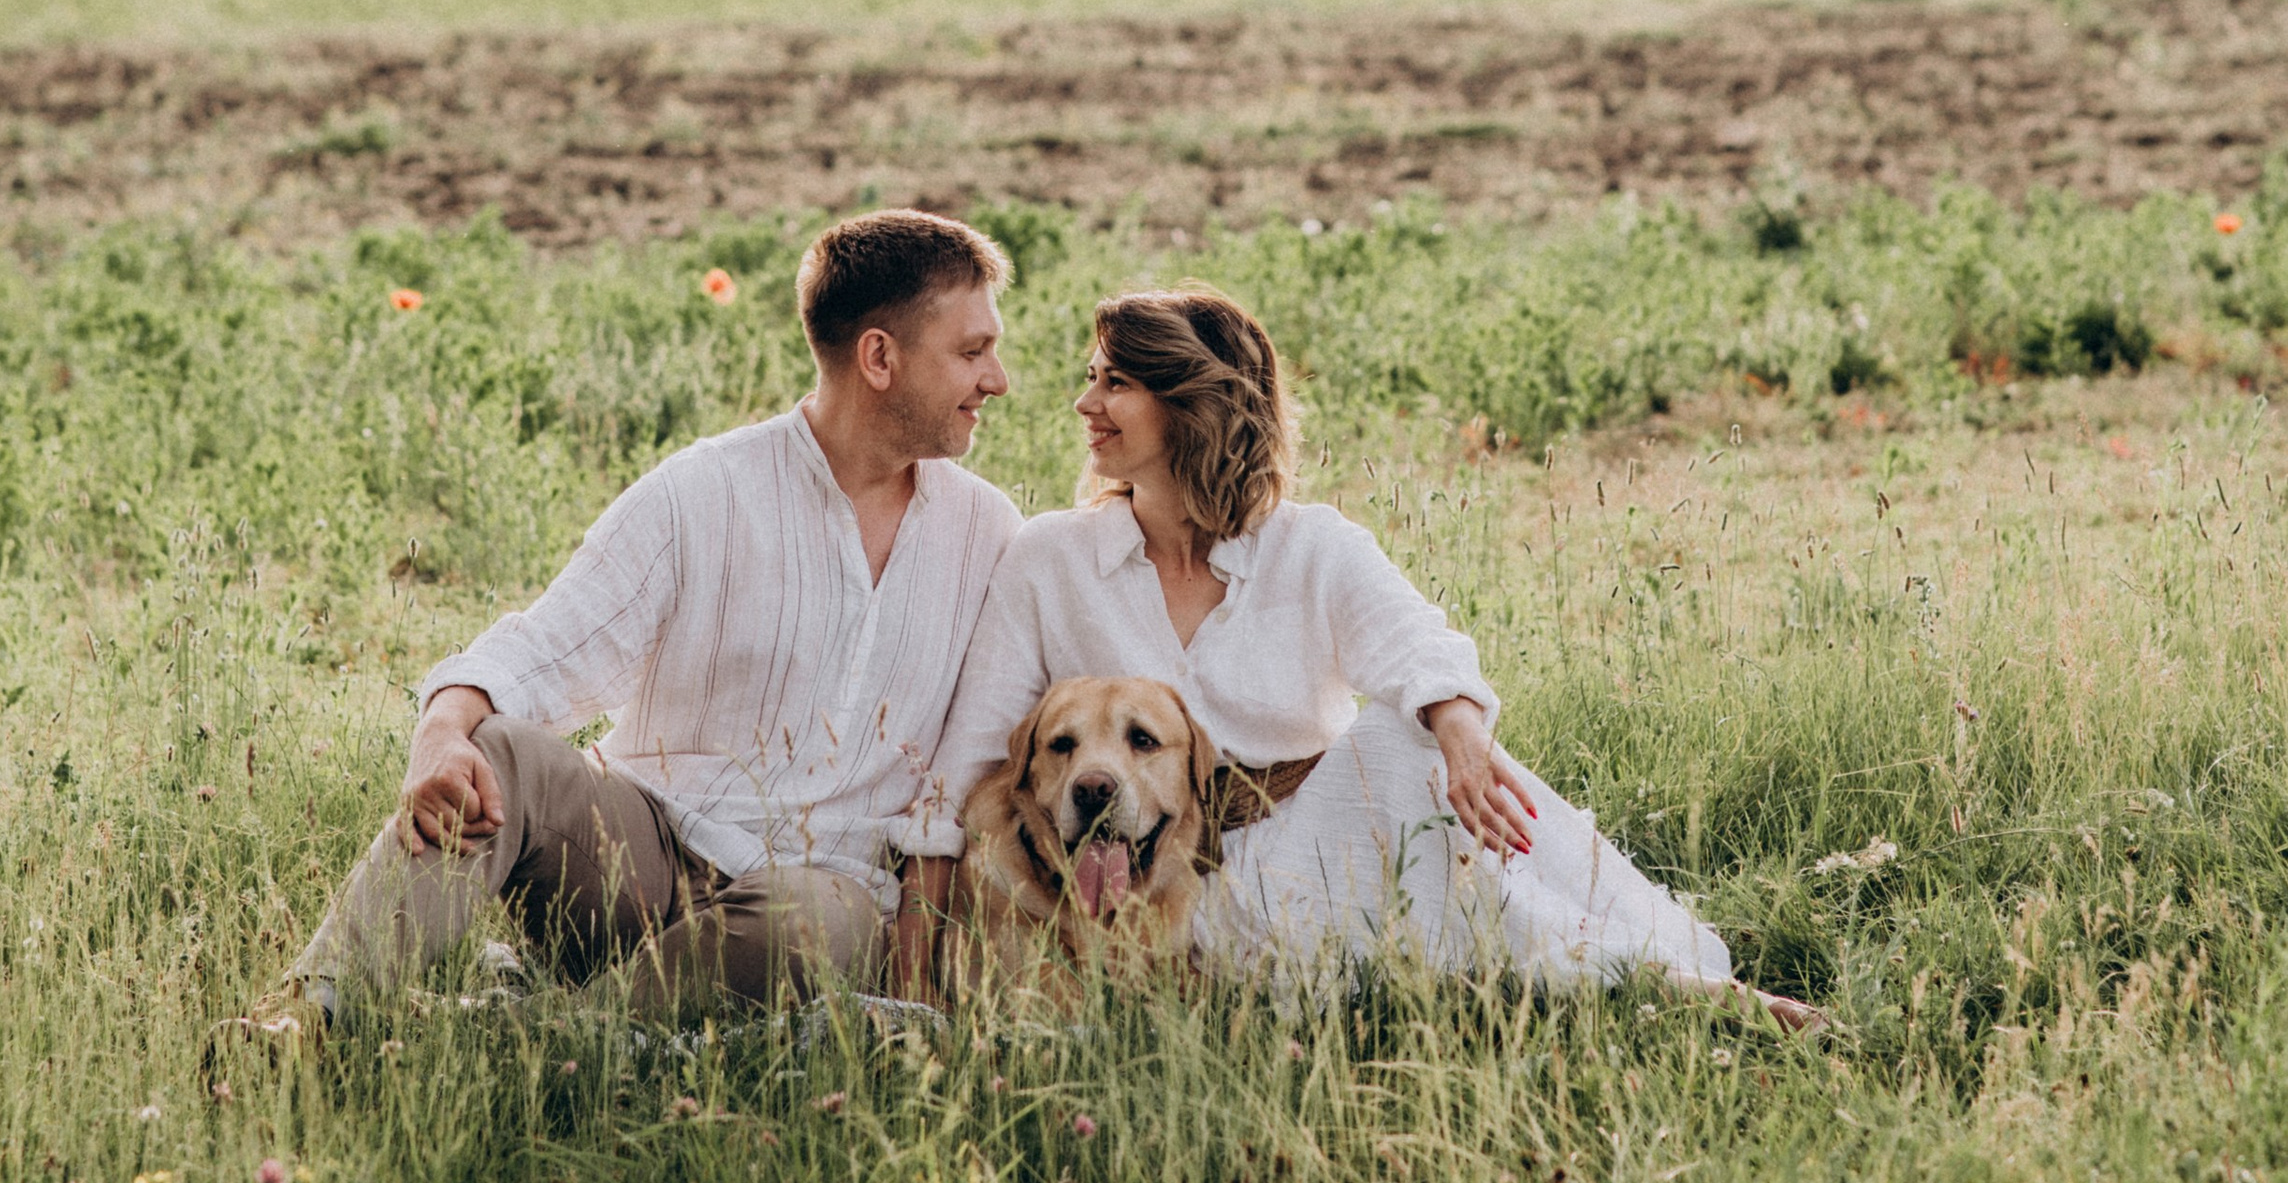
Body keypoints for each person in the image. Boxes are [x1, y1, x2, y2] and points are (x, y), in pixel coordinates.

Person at [898, 285, 1813, 1023]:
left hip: (1313, 838)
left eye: (1115, 383)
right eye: (1092, 378)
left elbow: (1417, 645)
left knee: (1408, 744)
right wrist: (914, 967)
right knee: (1420, 903)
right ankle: (1587, 979)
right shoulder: (1049, 558)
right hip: (1164, 880)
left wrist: (1461, 736)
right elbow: (972, 755)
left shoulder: (1310, 545)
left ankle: (1631, 973)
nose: (1085, 404)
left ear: (1191, 405)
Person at [262, 209, 1020, 1027]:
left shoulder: (988, 536)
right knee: (498, 748)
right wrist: (442, 732)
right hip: (638, 861)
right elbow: (546, 647)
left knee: (818, 919)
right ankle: (312, 1014)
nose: (997, 379)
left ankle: (530, 1035)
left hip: (809, 910)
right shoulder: (704, 491)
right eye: (971, 352)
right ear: (879, 357)